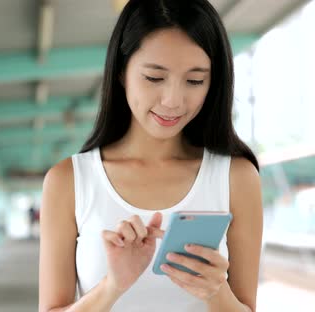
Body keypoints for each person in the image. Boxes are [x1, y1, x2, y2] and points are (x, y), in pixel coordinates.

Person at [38, 0, 263, 311]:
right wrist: (112, 286)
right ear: (121, 71)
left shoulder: (236, 178)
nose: (173, 100)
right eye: (154, 78)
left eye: (195, 80)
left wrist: (216, 293)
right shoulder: (69, 181)